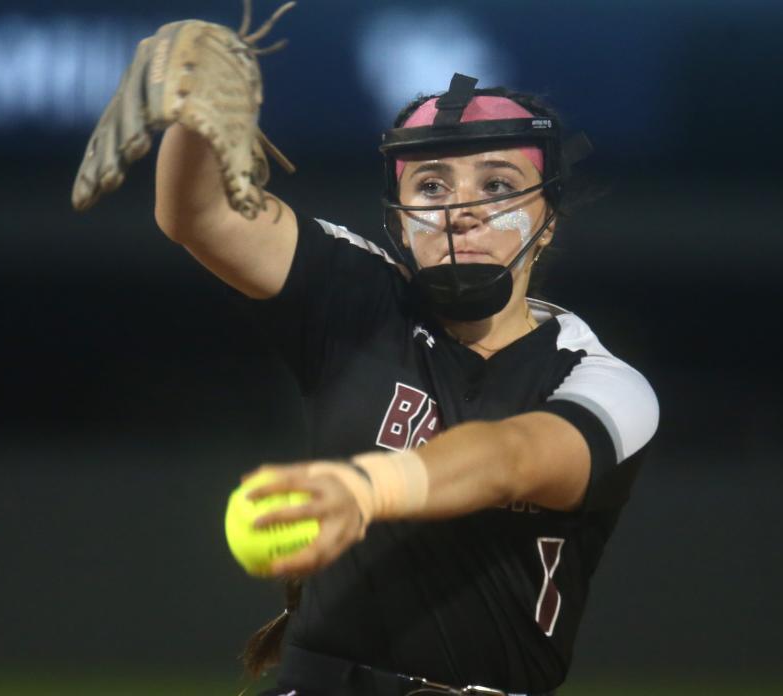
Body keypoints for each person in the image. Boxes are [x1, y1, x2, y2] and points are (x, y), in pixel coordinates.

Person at [74, 8, 659, 694]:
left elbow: (513, 458)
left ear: (548, 220)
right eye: (432, 185)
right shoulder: (361, 295)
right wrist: (197, 121)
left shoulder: (606, 383)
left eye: (497, 185)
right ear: (398, 215)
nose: (461, 209)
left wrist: (366, 488)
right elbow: (199, 216)